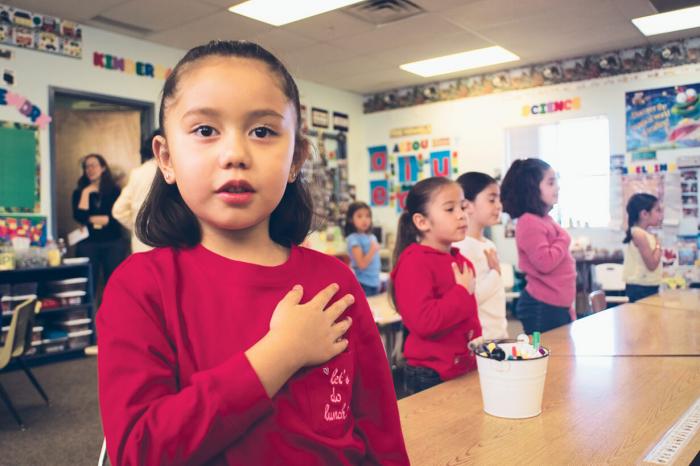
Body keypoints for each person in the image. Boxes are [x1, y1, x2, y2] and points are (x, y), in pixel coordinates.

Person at [97, 40, 408, 465]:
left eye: (262, 131)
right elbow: (139, 451)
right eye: (206, 130)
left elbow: (380, 431)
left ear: (296, 157)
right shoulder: (140, 286)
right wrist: (279, 354)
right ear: (166, 159)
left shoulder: (333, 281)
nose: (235, 155)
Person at [390, 177, 480, 395]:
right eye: (450, 209)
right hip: (431, 373)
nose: (461, 215)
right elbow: (424, 322)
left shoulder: (461, 261)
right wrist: (460, 292)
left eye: (462, 206)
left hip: (463, 365)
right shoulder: (414, 262)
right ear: (422, 222)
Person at [500, 158, 576, 334]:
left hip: (554, 305)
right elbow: (545, 263)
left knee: (560, 356)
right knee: (548, 358)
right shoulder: (529, 222)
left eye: (556, 181)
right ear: (532, 189)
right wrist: (564, 238)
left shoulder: (544, 219)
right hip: (542, 307)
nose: (557, 187)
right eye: (551, 182)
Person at [454, 172, 508, 340]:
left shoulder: (488, 244)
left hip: (499, 333)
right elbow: (470, 299)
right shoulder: (461, 247)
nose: (498, 205)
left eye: (499, 199)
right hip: (481, 341)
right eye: (491, 200)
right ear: (467, 205)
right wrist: (495, 273)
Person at [71, 153, 127, 285]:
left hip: (112, 241)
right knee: (88, 283)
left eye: (93, 166)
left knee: (115, 283)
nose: (90, 169)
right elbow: (79, 216)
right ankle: (90, 306)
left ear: (103, 168)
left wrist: (90, 219)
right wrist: (86, 192)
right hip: (89, 242)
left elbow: (114, 218)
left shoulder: (114, 191)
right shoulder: (79, 192)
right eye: (86, 167)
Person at [112, 129, 161, 253]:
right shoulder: (173, 172)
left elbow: (118, 210)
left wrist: (139, 226)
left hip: (143, 243)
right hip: (170, 243)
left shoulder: (138, 173)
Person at [622, 193, 663, 302]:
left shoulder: (645, 234)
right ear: (644, 214)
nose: (660, 215)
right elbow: (652, 264)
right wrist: (658, 246)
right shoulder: (639, 234)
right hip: (641, 287)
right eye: (657, 210)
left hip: (647, 285)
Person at [344, 201, 381, 296]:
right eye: (359, 216)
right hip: (363, 284)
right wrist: (373, 250)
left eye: (367, 216)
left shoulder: (372, 236)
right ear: (351, 219)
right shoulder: (353, 238)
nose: (364, 220)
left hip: (375, 281)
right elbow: (362, 264)